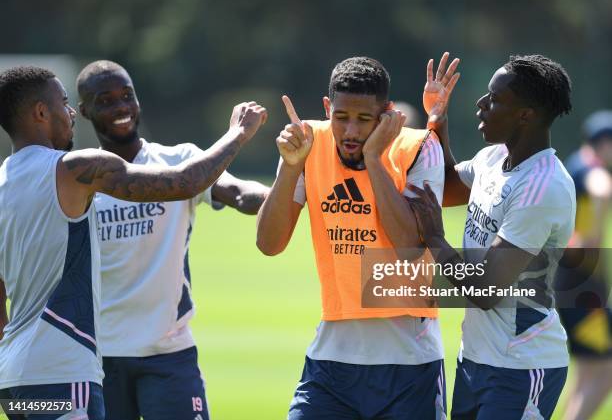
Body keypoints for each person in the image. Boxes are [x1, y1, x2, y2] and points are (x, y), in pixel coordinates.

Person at [0, 65, 266, 419]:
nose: (68, 114)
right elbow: (185, 182)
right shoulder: (75, 170)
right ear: (41, 112)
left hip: (15, 382)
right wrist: (238, 134)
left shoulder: (3, 183)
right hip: (63, 372)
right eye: (63, 103)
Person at [257, 54, 459, 420]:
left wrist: (374, 159)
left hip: (409, 363)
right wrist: (289, 168)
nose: (351, 132)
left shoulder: (418, 148)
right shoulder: (307, 142)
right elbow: (269, 244)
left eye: (365, 120)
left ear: (387, 114)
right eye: (341, 117)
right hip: (332, 360)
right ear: (326, 107)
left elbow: (410, 249)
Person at [408, 54, 575, 419]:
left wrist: (435, 238)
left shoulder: (543, 187)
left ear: (525, 115)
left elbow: (485, 291)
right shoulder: (493, 158)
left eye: (495, 99)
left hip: (520, 365)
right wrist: (438, 118)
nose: (481, 104)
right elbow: (446, 185)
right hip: (476, 359)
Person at [555, 110, 612, 420]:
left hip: (575, 285)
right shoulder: (591, 168)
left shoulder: (574, 163)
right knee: (606, 370)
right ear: (604, 144)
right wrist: (591, 236)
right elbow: (602, 187)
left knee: (589, 371)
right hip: (584, 289)